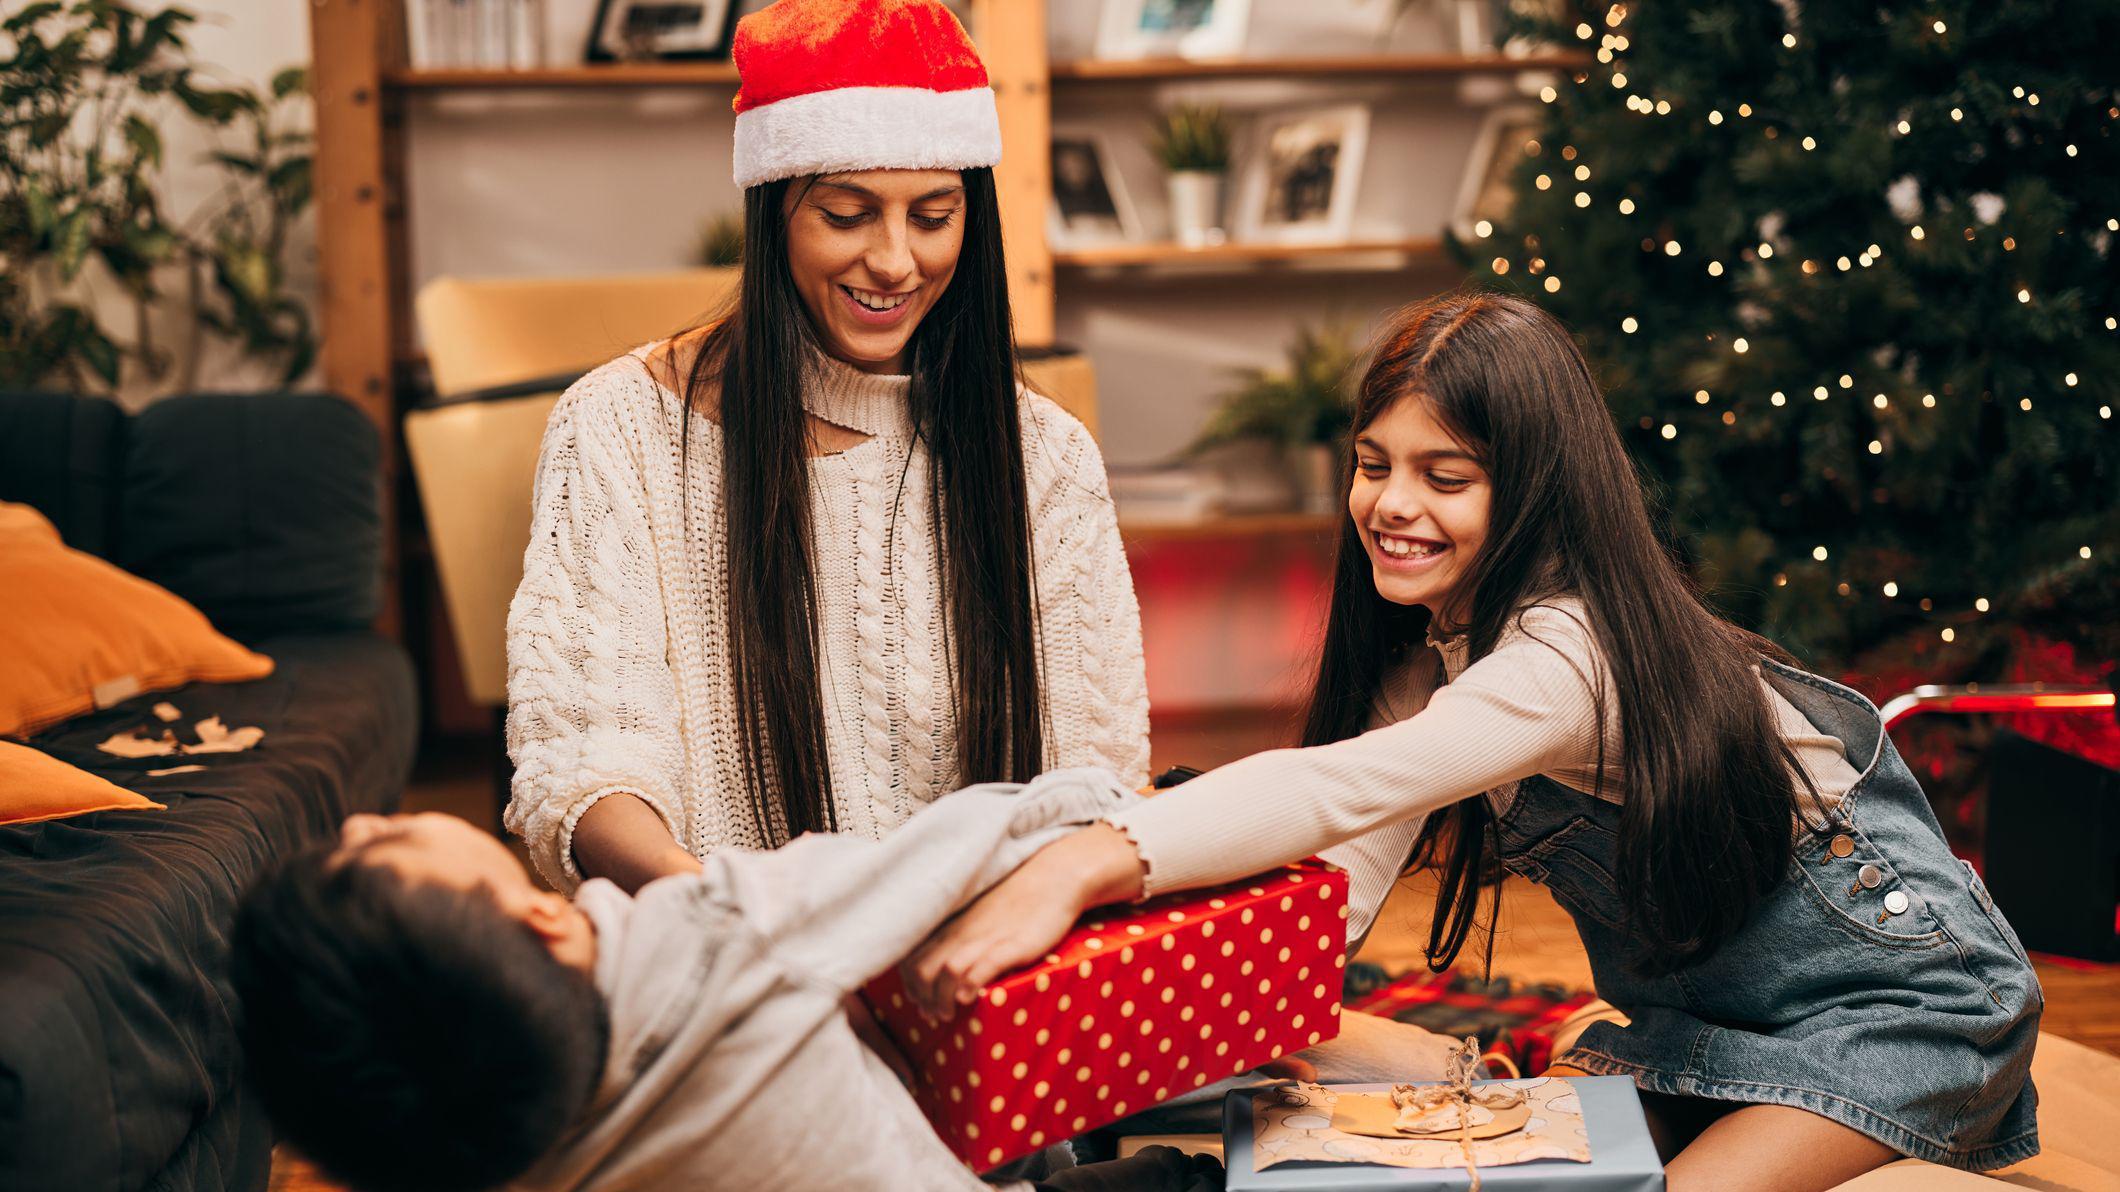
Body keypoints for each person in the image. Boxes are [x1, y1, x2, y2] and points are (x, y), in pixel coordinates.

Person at [910, 291, 2043, 1191]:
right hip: (1708, 1024)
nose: (1389, 505)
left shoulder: (1568, 658)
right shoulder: (1429, 655)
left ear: (1538, 491)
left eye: (1443, 477)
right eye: (1373, 464)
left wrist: (1084, 862)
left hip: (1908, 1017)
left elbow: (1336, 783)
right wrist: (1169, 999)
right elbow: (1335, 875)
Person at [505, 0, 1148, 897]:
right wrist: (734, 918)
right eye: (847, 215)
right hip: (718, 940)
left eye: (934, 217)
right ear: (772, 213)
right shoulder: (618, 425)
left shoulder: (1046, 455)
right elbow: (587, 762)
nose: (895, 261)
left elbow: (1097, 777)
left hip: (992, 948)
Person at [229, 783, 1224, 1192]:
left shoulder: (478, 1145)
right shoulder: (726, 933)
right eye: (373, 851)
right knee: (1194, 1171)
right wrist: (1107, 817)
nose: (359, 821)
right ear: (542, 920)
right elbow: (1014, 824)